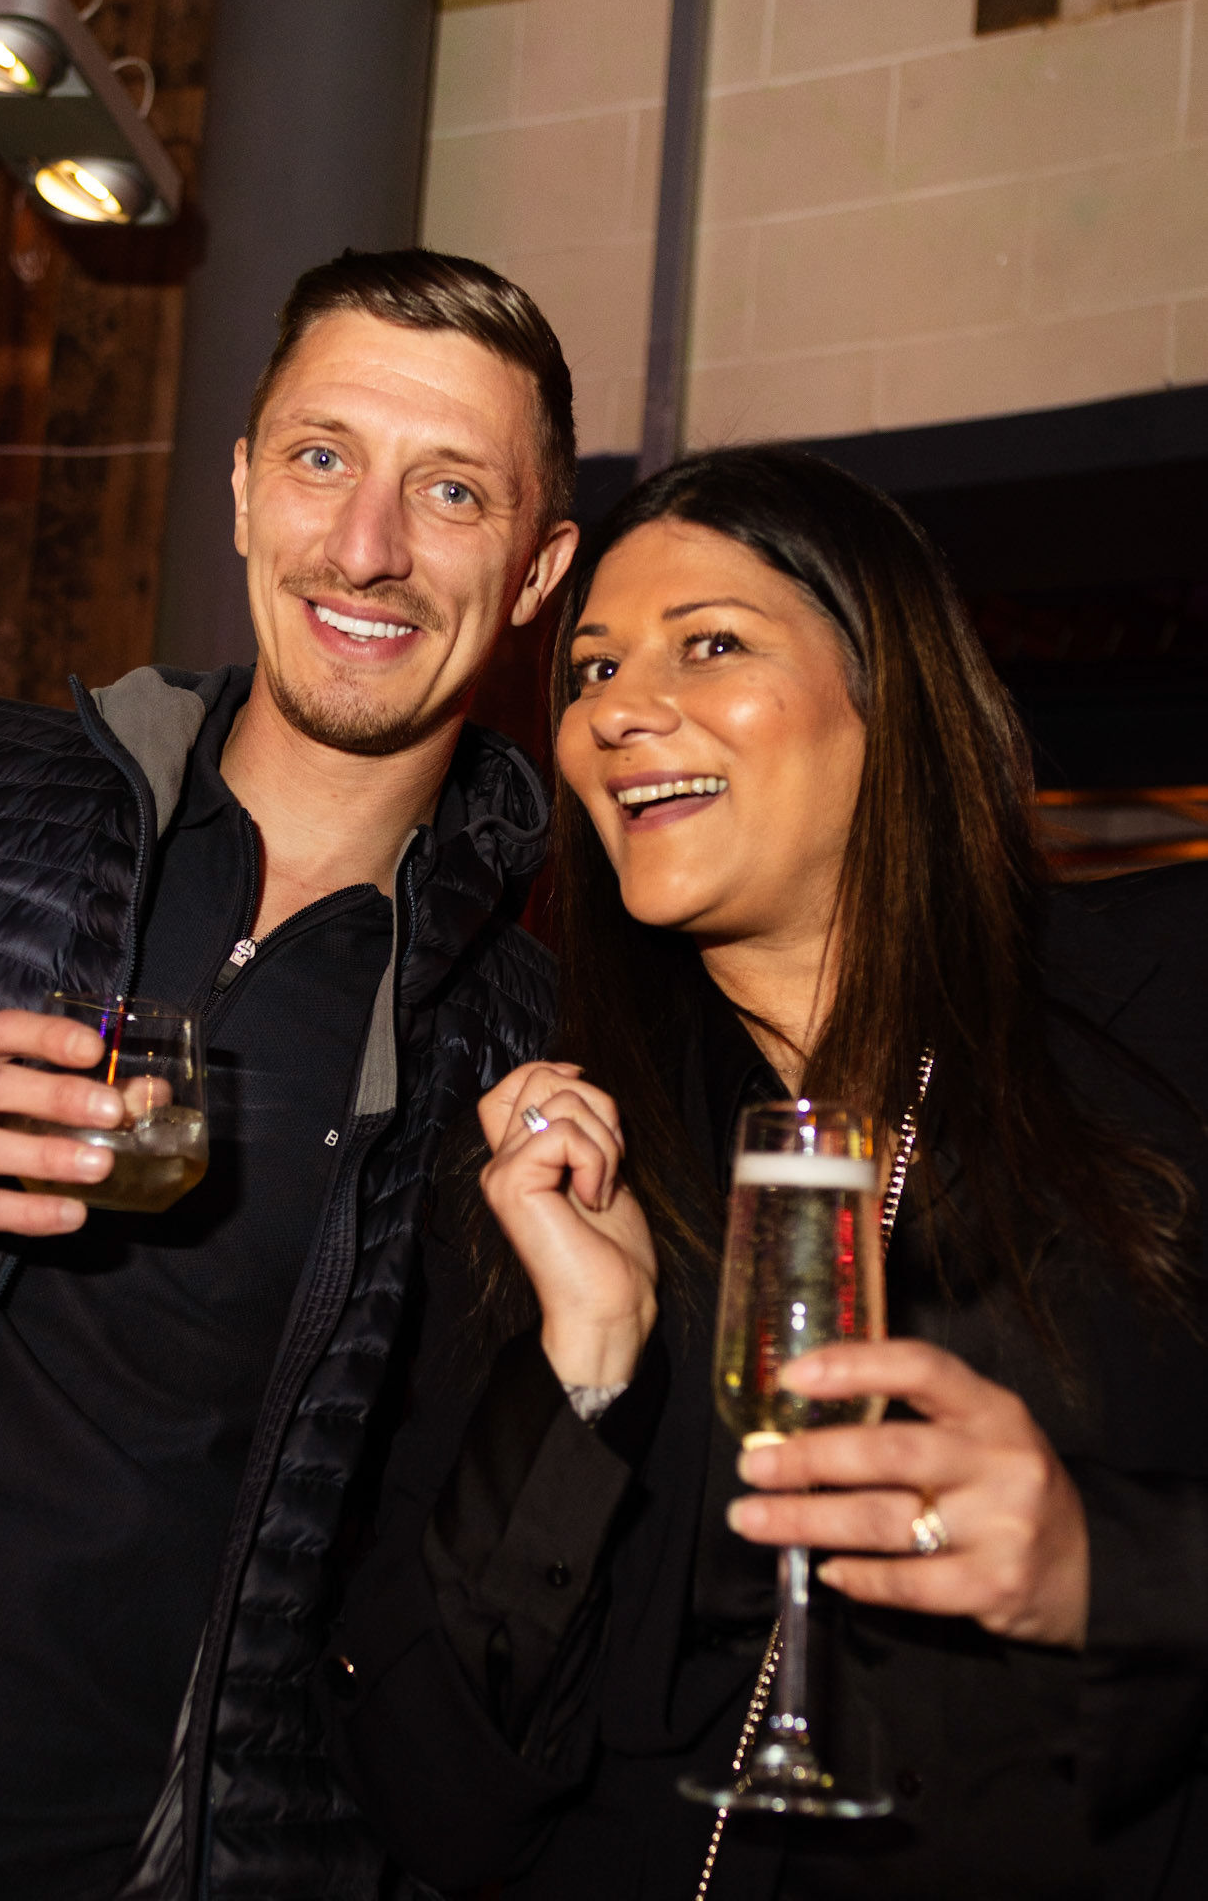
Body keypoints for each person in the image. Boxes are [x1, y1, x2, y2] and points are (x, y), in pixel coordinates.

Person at [326, 446, 1208, 1899]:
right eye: (592, 670)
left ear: (887, 694)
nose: (618, 709)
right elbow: (434, 1802)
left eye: (712, 644)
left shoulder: (1167, 1005)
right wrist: (578, 1375)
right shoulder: (555, 1173)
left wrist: (1105, 1569)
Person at [0, 248, 580, 1900]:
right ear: (243, 491)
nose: (367, 547)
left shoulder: (525, 1052)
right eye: (322, 458)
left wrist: (586, 1378)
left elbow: (467, 1616)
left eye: (450, 491)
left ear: (535, 570)